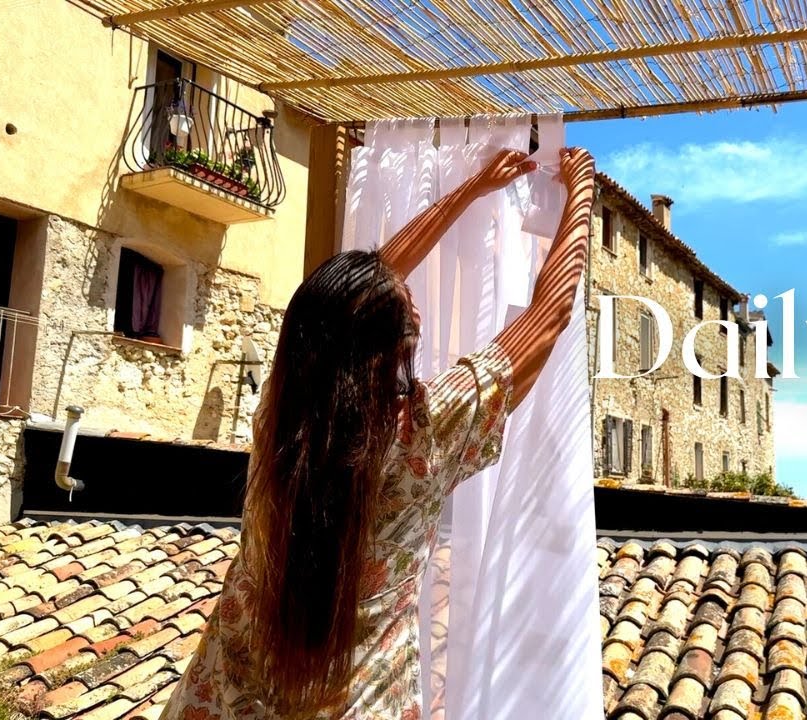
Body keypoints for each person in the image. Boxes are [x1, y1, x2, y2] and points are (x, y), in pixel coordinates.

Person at [163, 146, 596, 720]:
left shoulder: (283, 412)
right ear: (397, 348)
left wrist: (471, 189)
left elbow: (360, 295)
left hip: (217, 701)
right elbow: (548, 317)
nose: (409, 293)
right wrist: (582, 189)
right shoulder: (424, 429)